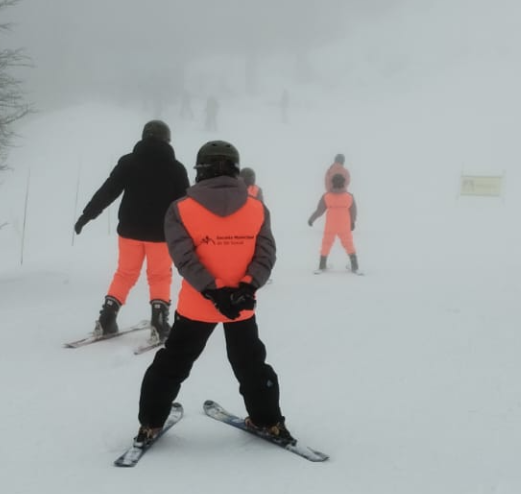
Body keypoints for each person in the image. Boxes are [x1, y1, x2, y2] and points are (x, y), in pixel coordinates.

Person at [134, 140, 292, 444]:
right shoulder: (257, 207)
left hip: (198, 304)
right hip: (241, 304)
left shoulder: (180, 208)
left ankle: (151, 423)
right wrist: (247, 287)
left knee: (172, 364)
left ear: (200, 170)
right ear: (235, 169)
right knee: (251, 366)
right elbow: (266, 253)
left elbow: (185, 257)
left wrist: (214, 292)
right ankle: (269, 421)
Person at [73, 120, 190, 343]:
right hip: (160, 234)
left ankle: (107, 319)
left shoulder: (129, 162)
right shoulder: (176, 168)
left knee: (125, 273)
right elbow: (185, 204)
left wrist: (86, 216)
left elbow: (107, 192)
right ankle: (159, 323)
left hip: (129, 231)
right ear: (167, 139)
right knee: (159, 276)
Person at [308, 172, 358, 273]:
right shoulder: (349, 196)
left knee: (326, 243)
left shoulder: (327, 196)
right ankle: (354, 265)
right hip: (344, 224)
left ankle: (322, 265)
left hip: (330, 225)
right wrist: (352, 222)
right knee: (348, 243)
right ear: (344, 183)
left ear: (332, 183)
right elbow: (353, 211)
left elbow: (319, 210)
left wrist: (311, 219)